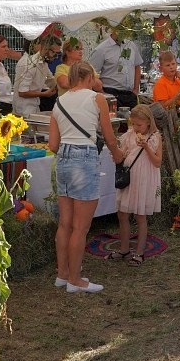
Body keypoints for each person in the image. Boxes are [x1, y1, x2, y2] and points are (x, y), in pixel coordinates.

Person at [48, 62, 124, 293]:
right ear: (89, 77)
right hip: (85, 157)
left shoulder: (58, 102)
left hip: (63, 158)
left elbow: (53, 144)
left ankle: (62, 274)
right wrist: (118, 155)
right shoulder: (96, 98)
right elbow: (109, 137)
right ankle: (75, 279)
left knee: (65, 224)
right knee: (81, 228)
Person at [110, 105, 163, 265]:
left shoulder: (155, 137)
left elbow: (157, 162)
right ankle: (124, 249)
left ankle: (139, 252)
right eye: (133, 124)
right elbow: (123, 153)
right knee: (122, 213)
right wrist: (117, 156)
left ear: (148, 122)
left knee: (140, 215)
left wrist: (146, 147)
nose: (136, 127)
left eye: (139, 125)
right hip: (129, 177)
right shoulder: (129, 135)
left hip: (144, 178)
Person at [89, 28, 143, 110]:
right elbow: (91, 74)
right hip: (110, 93)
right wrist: (102, 93)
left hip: (130, 94)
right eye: (121, 28)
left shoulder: (131, 46)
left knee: (132, 121)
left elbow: (137, 66)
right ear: (113, 29)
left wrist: (135, 90)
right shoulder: (101, 49)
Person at [13, 36, 59, 116]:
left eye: (57, 53)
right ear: (44, 48)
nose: (55, 56)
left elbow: (51, 81)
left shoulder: (43, 63)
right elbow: (22, 92)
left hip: (34, 108)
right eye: (54, 52)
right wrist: (44, 94)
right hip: (23, 111)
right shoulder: (31, 64)